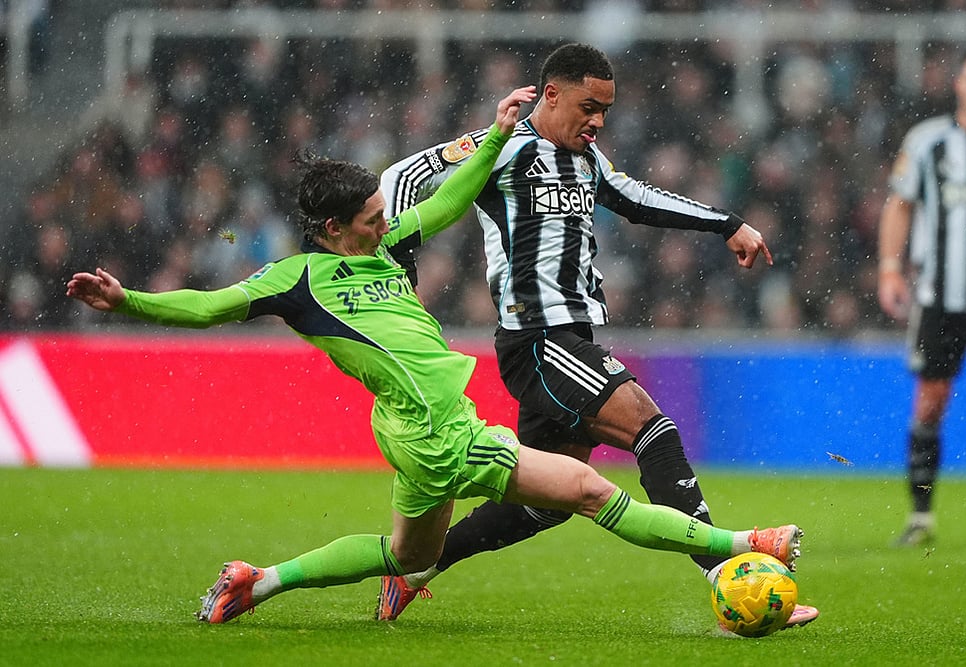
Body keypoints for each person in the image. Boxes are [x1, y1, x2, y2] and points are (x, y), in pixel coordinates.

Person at [65, 87, 804, 625]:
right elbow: (207, 306)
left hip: (409, 427)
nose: (386, 224)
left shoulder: (382, 244)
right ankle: (743, 544)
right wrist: (128, 301)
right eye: (370, 219)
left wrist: (495, 134)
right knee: (587, 491)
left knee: (408, 556)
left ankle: (256, 582)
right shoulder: (293, 281)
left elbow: (447, 204)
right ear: (332, 229)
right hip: (440, 432)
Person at [379, 42, 818, 629]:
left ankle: (413, 570)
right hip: (538, 339)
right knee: (652, 429)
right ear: (551, 95)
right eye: (589, 107)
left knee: (544, 505)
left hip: (570, 335)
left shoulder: (587, 159)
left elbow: (637, 199)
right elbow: (402, 176)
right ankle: (730, 573)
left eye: (606, 110)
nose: (599, 121)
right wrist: (397, 263)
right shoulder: (502, 145)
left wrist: (726, 223)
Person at [877, 44, 966, 547]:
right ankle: (921, 517)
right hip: (940, 298)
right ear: (959, 85)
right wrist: (890, 268)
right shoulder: (928, 141)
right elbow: (900, 205)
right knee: (930, 404)